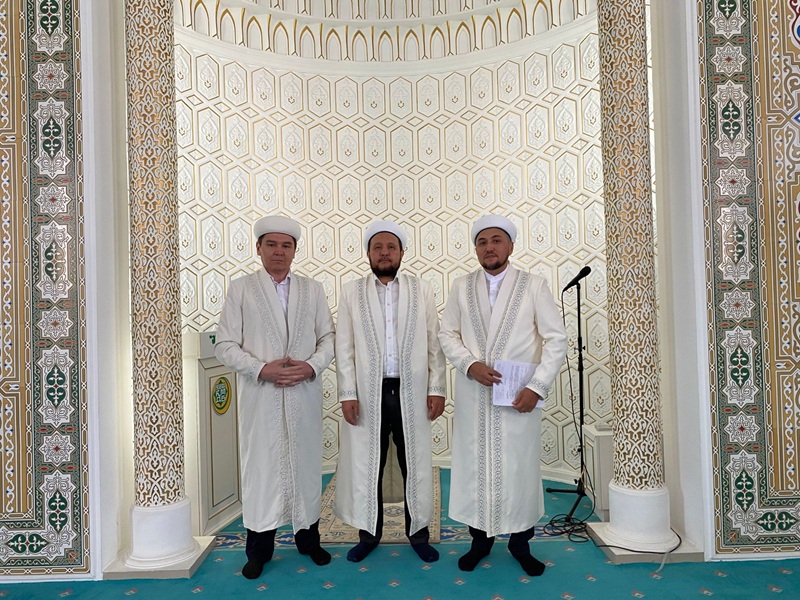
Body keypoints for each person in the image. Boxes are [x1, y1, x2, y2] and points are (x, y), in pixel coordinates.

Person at [438, 214, 568, 576]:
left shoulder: (534, 285)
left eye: (496, 240)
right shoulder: (461, 286)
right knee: (475, 468)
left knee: (518, 469)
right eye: (482, 242)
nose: (489, 247)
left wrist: (536, 387)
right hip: (474, 396)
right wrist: (470, 364)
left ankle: (520, 544)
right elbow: (447, 334)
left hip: (518, 398)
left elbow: (556, 339)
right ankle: (479, 541)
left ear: (510, 245)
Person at [215, 215, 335, 580]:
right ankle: (258, 550)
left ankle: (308, 541)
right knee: (262, 471)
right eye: (271, 245)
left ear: (295, 250)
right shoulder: (241, 289)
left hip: (303, 395)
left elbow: (328, 339)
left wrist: (311, 367)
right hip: (261, 398)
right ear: (259, 248)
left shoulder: (313, 290)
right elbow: (225, 344)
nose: (279, 252)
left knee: (305, 467)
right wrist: (260, 369)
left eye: (286, 245)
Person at [334, 220, 447, 564]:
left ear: (401, 253)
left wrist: (437, 388)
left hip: (411, 389)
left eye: (391, 248)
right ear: (368, 253)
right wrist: (347, 393)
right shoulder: (351, 291)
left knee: (415, 463)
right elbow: (344, 346)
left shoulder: (421, 289)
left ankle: (418, 534)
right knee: (369, 464)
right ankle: (369, 535)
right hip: (368, 392)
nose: (384, 253)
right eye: (378, 248)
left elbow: (434, 341)